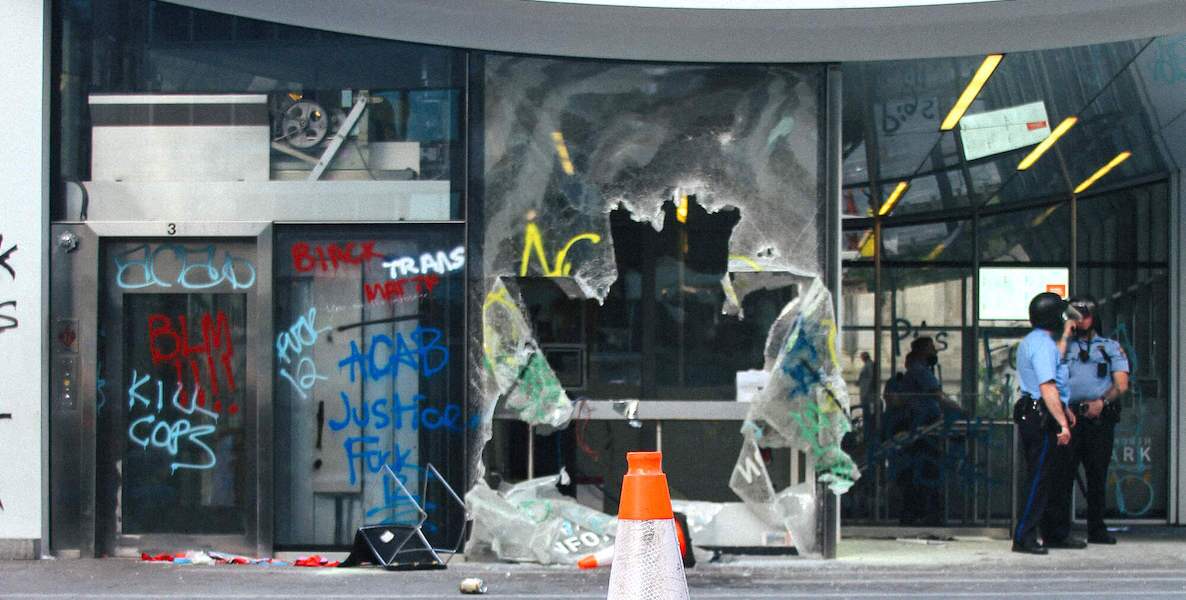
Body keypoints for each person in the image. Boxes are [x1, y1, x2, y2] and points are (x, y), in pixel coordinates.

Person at [1046, 295, 1130, 545]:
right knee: (1062, 476)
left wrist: (1101, 402)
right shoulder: (1061, 344)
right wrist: (1065, 333)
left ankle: (1097, 528)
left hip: (1097, 418)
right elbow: (1049, 369)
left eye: (1086, 315)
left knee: (1097, 475)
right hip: (1068, 416)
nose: (1081, 320)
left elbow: (1121, 383)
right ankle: (1060, 529)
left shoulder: (1110, 347)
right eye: (1076, 315)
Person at [1012, 292, 1076, 554]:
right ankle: (1023, 536)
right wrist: (1062, 422)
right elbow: (1047, 386)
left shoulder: (1038, 341)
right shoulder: (1042, 346)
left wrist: (1064, 410)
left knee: (1045, 478)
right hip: (1040, 416)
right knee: (1038, 479)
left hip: (1036, 413)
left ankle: (1044, 532)